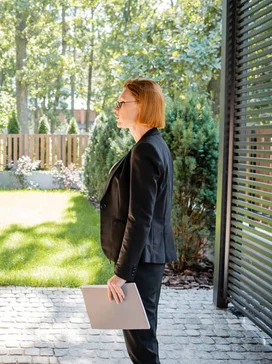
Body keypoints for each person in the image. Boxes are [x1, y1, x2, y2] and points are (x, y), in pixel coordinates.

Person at [100, 78, 177, 364]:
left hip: (142, 261)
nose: (116, 109)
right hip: (147, 258)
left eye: (121, 103)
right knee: (142, 340)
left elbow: (140, 218)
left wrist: (122, 273)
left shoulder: (146, 150)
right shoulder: (153, 145)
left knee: (142, 347)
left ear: (142, 105)